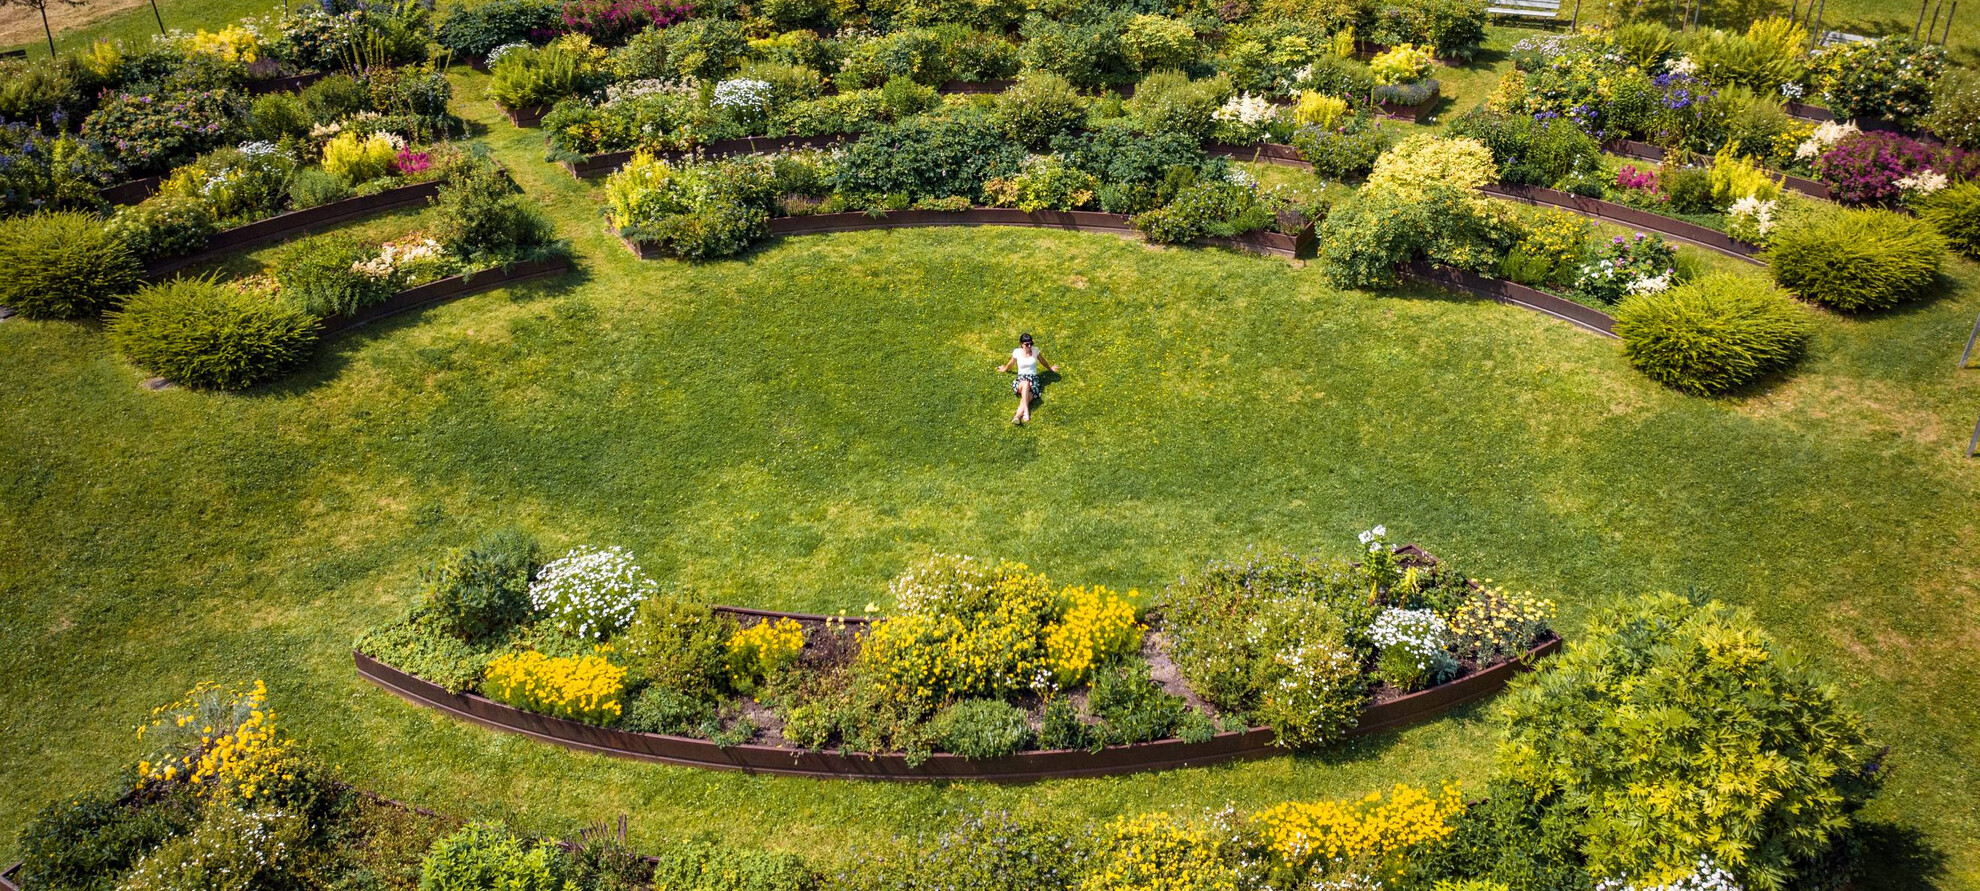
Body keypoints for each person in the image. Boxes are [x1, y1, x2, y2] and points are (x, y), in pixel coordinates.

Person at [997, 332, 1059, 425]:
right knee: (1025, 384)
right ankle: (1026, 412)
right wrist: (1005, 369)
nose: (1029, 346)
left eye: (1031, 343)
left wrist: (1050, 368)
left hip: (1033, 380)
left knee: (1026, 397)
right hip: (1021, 380)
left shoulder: (1035, 351)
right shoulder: (1017, 352)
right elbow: (1011, 363)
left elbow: (1043, 361)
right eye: (1027, 344)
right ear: (1021, 344)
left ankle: (1017, 416)